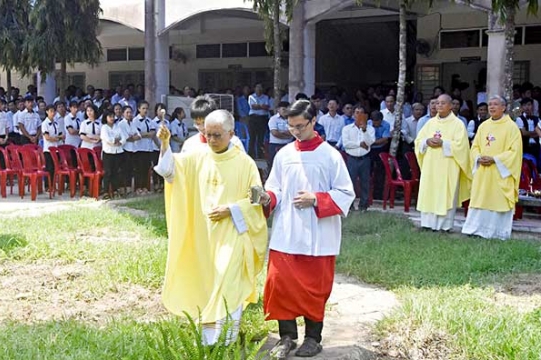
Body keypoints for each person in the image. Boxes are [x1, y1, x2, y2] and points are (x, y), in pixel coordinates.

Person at [153, 109, 268, 346]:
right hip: (203, 236)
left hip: (233, 233)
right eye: (208, 135)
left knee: (229, 282)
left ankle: (227, 338)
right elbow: (169, 170)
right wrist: (164, 144)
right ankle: (207, 341)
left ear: (231, 133)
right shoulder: (198, 157)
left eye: (218, 135)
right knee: (207, 282)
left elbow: (257, 197)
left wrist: (232, 209)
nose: (213, 140)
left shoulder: (244, 163)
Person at [259, 100, 355, 359]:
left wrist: (316, 199)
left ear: (313, 121)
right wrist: (268, 198)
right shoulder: (284, 154)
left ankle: (313, 338)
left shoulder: (330, 155)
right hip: (286, 231)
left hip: (318, 234)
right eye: (291, 127)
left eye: (300, 126)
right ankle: (286, 337)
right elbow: (276, 186)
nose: (296, 131)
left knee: (315, 287)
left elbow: (346, 192)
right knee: (280, 284)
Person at [462, 96, 522, 239]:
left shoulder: (511, 127)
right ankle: (476, 230)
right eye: (490, 104)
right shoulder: (483, 126)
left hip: (499, 172)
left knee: (498, 200)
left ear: (504, 107)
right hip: (483, 171)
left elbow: (515, 152)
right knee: (481, 198)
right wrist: (478, 157)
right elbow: (475, 146)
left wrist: (495, 159)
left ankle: (497, 233)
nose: (492, 107)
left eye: (496, 104)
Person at [414, 94, 471, 231]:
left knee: (445, 193)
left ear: (451, 106)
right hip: (431, 166)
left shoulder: (458, 124)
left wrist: (443, 143)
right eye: (437, 103)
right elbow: (418, 141)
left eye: (442, 103)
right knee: (429, 192)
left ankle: (444, 226)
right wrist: (427, 142)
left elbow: (462, 147)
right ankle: (427, 224)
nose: (438, 105)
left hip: (448, 166)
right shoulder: (430, 123)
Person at [181, 95, 245, 154]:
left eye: (204, 123)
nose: (201, 128)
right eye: (197, 124)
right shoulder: (190, 145)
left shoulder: (233, 143)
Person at [342, 105, 375, 211]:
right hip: (352, 158)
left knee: (365, 182)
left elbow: (370, 142)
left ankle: (363, 205)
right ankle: (350, 205)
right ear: (353, 115)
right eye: (357, 112)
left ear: (365, 115)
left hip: (364, 158)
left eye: (361, 113)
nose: (359, 115)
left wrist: (364, 130)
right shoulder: (347, 128)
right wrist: (359, 144)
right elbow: (346, 144)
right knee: (350, 182)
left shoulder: (370, 128)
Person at [100, 111, 125, 199]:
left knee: (116, 172)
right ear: (106, 117)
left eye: (113, 116)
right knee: (108, 172)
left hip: (117, 151)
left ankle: (114, 190)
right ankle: (106, 191)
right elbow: (107, 139)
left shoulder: (117, 127)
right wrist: (115, 140)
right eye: (110, 116)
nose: (112, 118)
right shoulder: (104, 128)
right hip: (108, 152)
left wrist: (120, 141)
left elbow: (123, 137)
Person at [41, 105, 65, 189]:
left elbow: (60, 135)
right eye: (51, 111)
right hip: (48, 149)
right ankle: (48, 185)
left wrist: (57, 138)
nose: (53, 113)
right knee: (49, 167)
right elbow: (47, 137)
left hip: (56, 148)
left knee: (55, 167)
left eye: (54, 111)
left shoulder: (56, 123)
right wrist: (57, 138)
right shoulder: (45, 123)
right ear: (47, 112)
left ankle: (54, 184)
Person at [248, 83, 271, 159]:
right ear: (254, 88)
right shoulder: (251, 97)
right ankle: (251, 155)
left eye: (260, 87)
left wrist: (259, 106)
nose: (259, 89)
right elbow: (253, 107)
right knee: (252, 138)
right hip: (253, 118)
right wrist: (261, 106)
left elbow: (267, 107)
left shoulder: (266, 97)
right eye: (257, 87)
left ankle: (260, 155)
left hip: (262, 118)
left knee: (261, 138)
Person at [267, 101, 293, 166]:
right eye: (283, 109)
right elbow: (275, 133)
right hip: (275, 145)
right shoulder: (273, 119)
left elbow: (294, 131)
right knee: (274, 165)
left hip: (288, 145)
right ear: (278, 110)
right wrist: (287, 135)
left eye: (288, 109)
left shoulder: (292, 119)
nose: (286, 111)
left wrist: (282, 132)